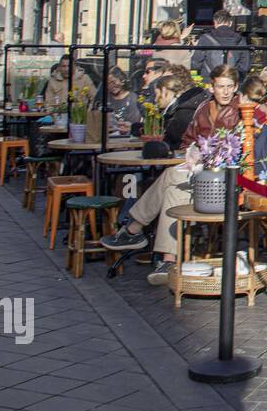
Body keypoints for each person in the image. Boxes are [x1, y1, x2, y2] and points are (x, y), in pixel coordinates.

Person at [99, 65, 247, 283]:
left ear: (235, 87)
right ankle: (167, 260)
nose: (225, 92)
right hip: (201, 175)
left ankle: (133, 229)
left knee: (170, 176)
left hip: (227, 178)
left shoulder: (242, 108)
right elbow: (188, 140)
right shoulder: (204, 109)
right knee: (172, 188)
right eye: (220, 87)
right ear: (211, 87)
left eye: (229, 87)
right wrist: (191, 153)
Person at [191, 10, 251, 76]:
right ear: (230, 23)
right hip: (231, 81)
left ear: (215, 22)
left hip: (210, 81)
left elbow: (195, 64)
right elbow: (245, 66)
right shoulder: (240, 40)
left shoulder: (205, 38)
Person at [94, 66, 142, 134]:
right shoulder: (104, 99)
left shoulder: (133, 99)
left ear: (122, 80)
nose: (111, 86)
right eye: (108, 84)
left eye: (113, 82)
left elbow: (134, 123)